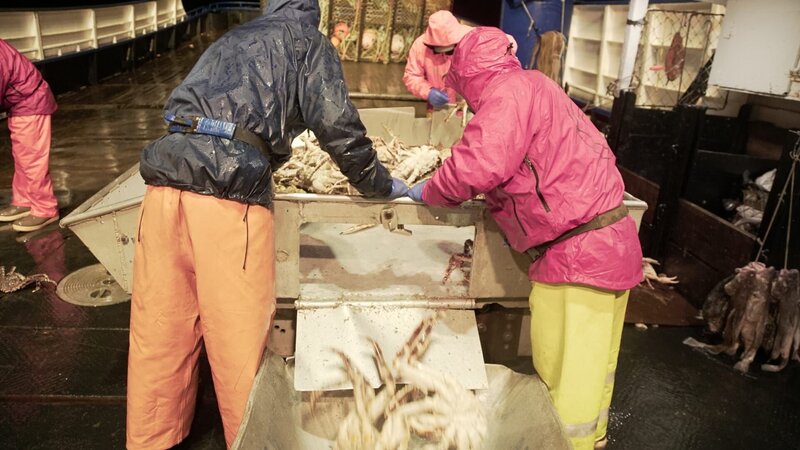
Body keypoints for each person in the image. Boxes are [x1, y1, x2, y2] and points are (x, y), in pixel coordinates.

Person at [127, 0, 408, 448]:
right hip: (227, 195)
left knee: (159, 327)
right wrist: (378, 183)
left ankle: (151, 439)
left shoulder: (232, 37)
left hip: (162, 187)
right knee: (238, 339)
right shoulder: (306, 43)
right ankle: (250, 439)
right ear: (309, 12)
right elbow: (337, 124)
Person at [407, 27, 643, 450]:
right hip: (610, 242)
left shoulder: (507, 93)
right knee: (592, 372)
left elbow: (479, 164)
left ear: (469, 73)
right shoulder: (537, 86)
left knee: (563, 380)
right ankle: (594, 441)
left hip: (576, 258)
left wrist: (429, 191)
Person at [0, 39, 60, 232]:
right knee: (22, 158)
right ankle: (24, 201)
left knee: (32, 160)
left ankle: (45, 209)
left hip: (30, 103)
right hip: (20, 104)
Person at [402, 10, 472, 110]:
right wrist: (428, 91)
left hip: (469, 109)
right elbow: (412, 76)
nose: (444, 54)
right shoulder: (420, 46)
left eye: (449, 51)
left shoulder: (473, 41)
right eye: (438, 51)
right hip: (438, 109)